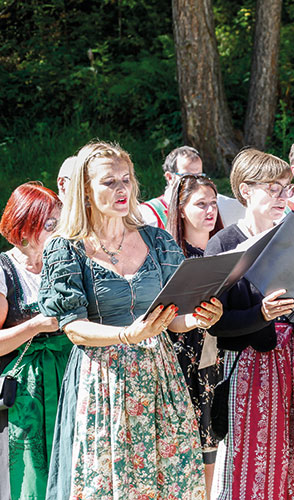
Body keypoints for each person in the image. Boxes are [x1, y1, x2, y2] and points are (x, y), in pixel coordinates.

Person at [40, 141, 223, 500]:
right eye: (109, 182)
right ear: (86, 190)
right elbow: (73, 327)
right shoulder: (66, 247)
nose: (122, 189)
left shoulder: (157, 240)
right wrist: (127, 334)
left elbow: (173, 319)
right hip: (103, 379)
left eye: (126, 179)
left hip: (159, 377)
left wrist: (199, 319)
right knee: (110, 484)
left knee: (171, 482)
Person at [204, 148, 294, 500]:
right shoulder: (224, 243)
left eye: (286, 188)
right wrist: (261, 315)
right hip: (248, 367)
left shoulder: (290, 237)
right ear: (246, 190)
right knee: (252, 470)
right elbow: (216, 325)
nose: (283, 196)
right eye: (273, 188)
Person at [0, 183, 69, 500]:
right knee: (32, 477)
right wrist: (35, 325)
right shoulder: (5, 270)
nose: (60, 230)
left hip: (69, 376)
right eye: (50, 223)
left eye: (60, 222)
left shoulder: (65, 263)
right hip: (27, 390)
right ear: (25, 226)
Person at [164, 173, 224, 496]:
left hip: (219, 355)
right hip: (181, 358)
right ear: (181, 209)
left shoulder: (225, 249)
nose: (210, 210)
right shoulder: (171, 255)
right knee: (185, 447)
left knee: (212, 444)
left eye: (213, 203)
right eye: (201, 204)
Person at [139, 146, 244, 228]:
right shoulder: (148, 214)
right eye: (187, 176)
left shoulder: (218, 204)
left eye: (199, 176)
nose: (195, 182)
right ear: (170, 177)